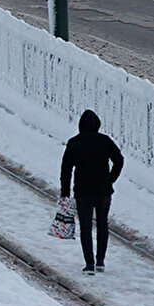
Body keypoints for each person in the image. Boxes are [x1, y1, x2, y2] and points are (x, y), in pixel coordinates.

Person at [59, 109, 124, 274]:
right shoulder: (105, 141)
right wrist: (110, 179)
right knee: (102, 223)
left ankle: (89, 263)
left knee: (85, 227)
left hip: (83, 190)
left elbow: (66, 169)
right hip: (103, 190)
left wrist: (65, 191)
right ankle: (101, 260)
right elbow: (119, 160)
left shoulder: (74, 143)